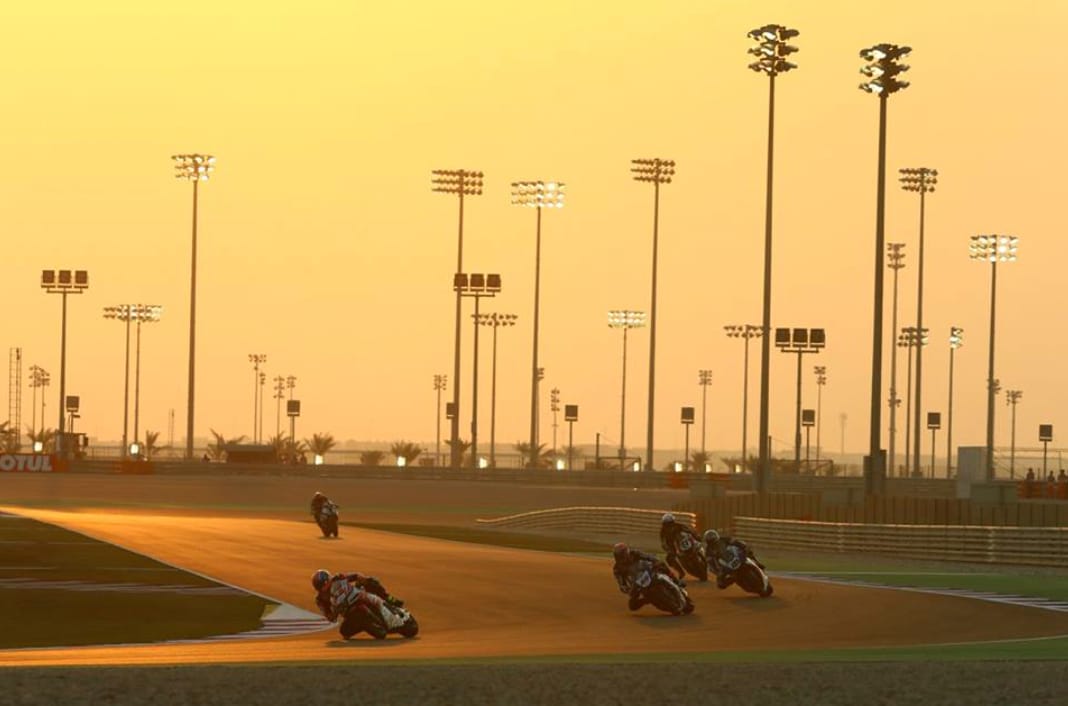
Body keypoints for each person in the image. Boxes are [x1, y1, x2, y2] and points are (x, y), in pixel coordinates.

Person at [312, 569, 405, 639]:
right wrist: (335, 611)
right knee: (344, 632)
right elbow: (331, 618)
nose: (326, 587)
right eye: (322, 586)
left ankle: (388, 598)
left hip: (357, 596)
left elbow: (355, 576)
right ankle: (366, 625)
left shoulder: (338, 578)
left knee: (371, 581)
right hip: (349, 612)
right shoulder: (320, 601)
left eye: (327, 582)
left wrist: (363, 579)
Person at [612, 542, 689, 612]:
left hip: (648, 571)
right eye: (619, 556)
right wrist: (628, 590)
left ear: (626, 553)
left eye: (622, 555)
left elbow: (648, 556)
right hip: (637, 584)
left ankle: (676, 581)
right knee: (632, 606)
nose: (622, 558)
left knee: (661, 564)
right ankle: (647, 599)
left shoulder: (635, 554)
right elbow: (621, 583)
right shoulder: (617, 569)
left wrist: (655, 561)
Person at [659, 513, 701, 579]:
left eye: (670, 524)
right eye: (667, 524)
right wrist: (667, 548)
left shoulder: (679, 526)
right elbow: (663, 541)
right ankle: (681, 572)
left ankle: (700, 556)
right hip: (673, 546)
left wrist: (696, 536)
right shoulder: (663, 531)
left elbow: (689, 530)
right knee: (669, 559)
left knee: (697, 545)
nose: (669, 526)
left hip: (684, 541)